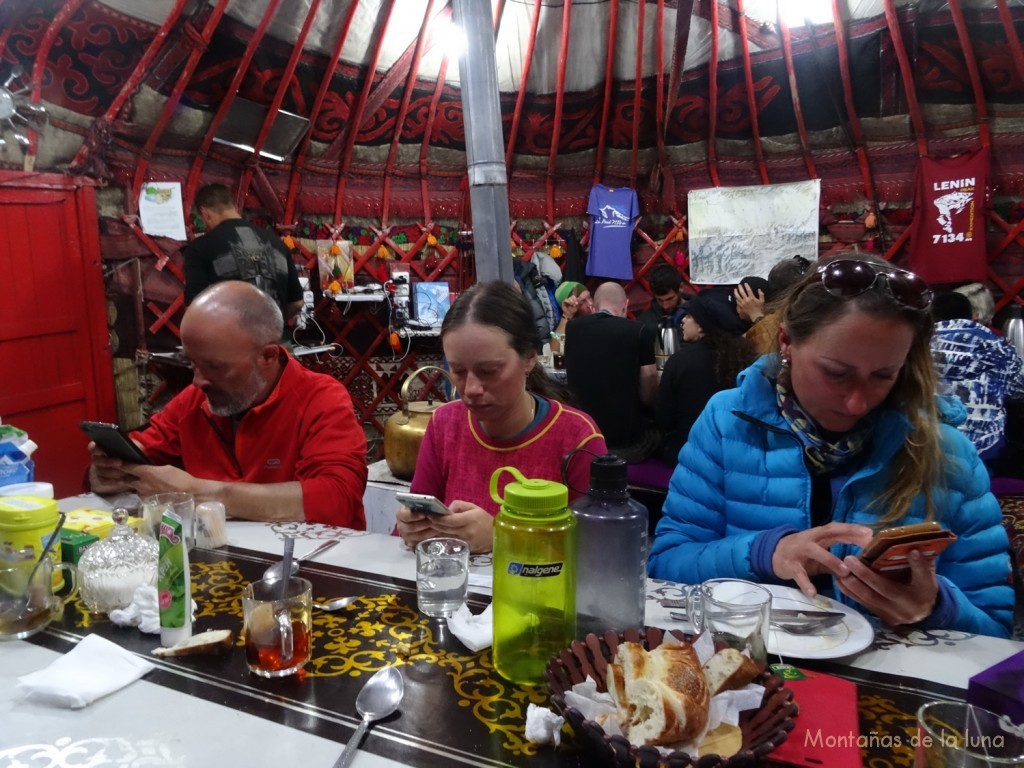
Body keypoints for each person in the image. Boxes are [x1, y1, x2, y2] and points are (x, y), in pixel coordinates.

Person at [649, 256, 1012, 637]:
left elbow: (995, 628)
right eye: (835, 373)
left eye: (883, 376)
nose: (857, 402)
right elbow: (668, 565)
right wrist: (763, 553)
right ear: (787, 342)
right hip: (750, 676)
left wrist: (936, 607)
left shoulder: (947, 452)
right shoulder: (728, 421)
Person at [88, 281, 368, 527]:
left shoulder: (320, 399)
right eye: (192, 364)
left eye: (214, 366)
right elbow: (144, 450)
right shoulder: (196, 400)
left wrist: (202, 493)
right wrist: (109, 473)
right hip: (218, 563)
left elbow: (338, 498)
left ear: (268, 356)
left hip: (309, 569)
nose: (198, 381)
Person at [395, 281, 606, 554]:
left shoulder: (577, 437)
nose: (470, 389)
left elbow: (598, 551)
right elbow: (416, 518)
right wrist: (410, 527)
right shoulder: (444, 425)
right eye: (458, 371)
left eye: (489, 370)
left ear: (529, 359)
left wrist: (501, 536)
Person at [656, 289, 755, 465]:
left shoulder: (680, 361)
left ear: (701, 325)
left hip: (687, 452)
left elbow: (664, 418)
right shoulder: (746, 358)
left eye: (688, 316)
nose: (683, 321)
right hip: (735, 453)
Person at [565, 282, 659, 462]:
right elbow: (649, 389)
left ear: (594, 306)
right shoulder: (639, 331)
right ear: (626, 305)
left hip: (583, 438)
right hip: (625, 446)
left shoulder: (573, 328)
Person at [184, 183, 303, 321]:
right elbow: (297, 303)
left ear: (205, 213)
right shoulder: (277, 243)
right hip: (276, 339)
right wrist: (273, 323)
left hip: (229, 339)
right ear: (234, 207)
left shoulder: (200, 247)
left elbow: (194, 308)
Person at [930, 291, 1024, 465]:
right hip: (987, 447)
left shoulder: (917, 346)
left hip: (928, 443)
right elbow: (1019, 390)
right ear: (971, 315)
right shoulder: (998, 347)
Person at [637, 265, 685, 334]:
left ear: (681, 288)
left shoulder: (696, 314)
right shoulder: (645, 321)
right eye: (660, 300)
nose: (665, 306)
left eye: (670, 299)